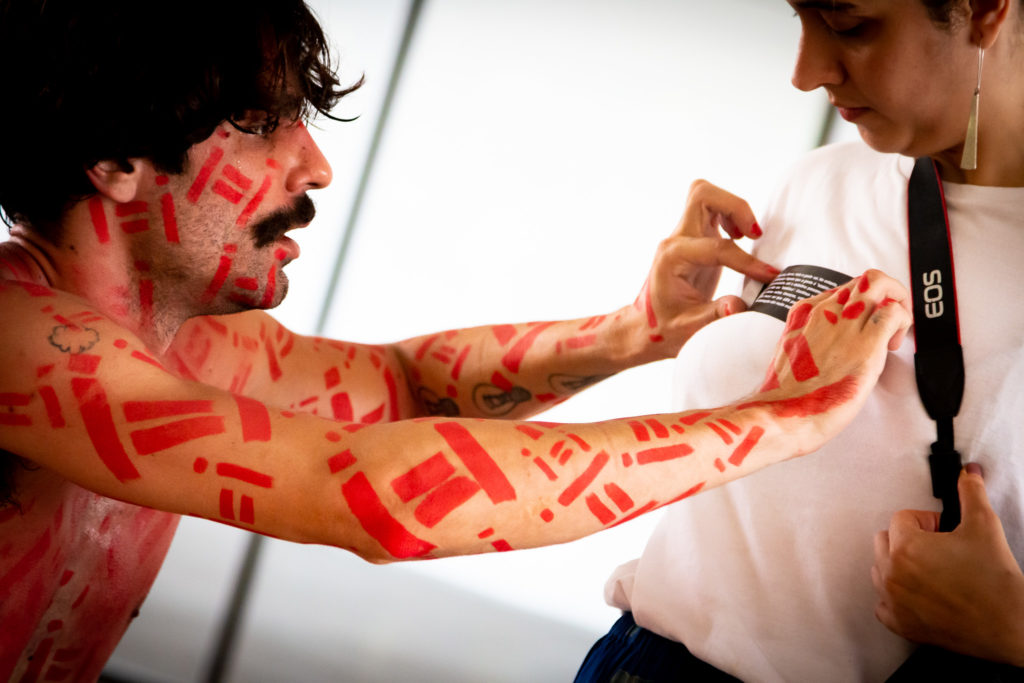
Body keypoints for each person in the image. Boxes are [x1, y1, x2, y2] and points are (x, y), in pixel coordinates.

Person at [0, 0, 912, 679]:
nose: (315, 164)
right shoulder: (15, 338)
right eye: (264, 125)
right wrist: (785, 416)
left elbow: (404, 386)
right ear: (116, 159)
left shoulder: (195, 348)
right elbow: (376, 497)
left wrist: (633, 333)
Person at [577, 0, 1024, 680]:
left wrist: (1014, 629)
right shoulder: (819, 180)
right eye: (798, 18)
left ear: (985, 10)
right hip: (637, 658)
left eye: (848, 24)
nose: (805, 72)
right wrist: (640, 333)